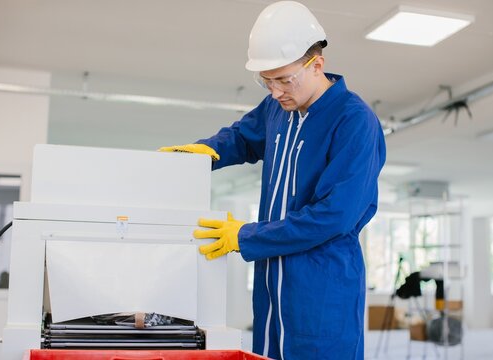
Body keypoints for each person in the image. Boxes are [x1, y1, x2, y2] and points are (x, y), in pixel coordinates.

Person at [159, 1, 386, 359]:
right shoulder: (277, 110)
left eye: (284, 79)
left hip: (322, 288)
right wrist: (205, 153)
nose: (276, 91)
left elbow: (333, 215)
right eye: (267, 82)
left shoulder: (354, 120)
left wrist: (246, 235)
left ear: (318, 65)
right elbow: (241, 138)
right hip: (270, 283)